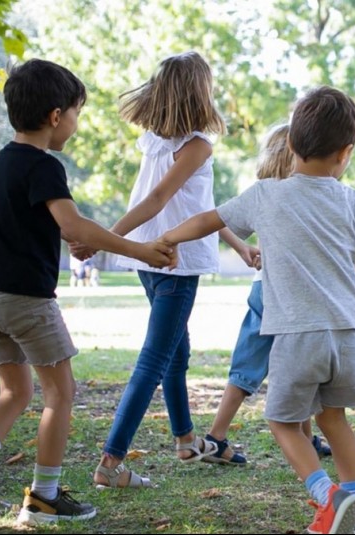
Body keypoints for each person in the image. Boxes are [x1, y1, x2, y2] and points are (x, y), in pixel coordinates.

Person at [159, 86, 355, 534]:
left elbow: (209, 220)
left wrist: (168, 239)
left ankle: (328, 495)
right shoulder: (351, 198)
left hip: (298, 334)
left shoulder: (265, 194)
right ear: (346, 153)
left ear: (291, 145)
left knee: (282, 422)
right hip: (351, 335)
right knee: (333, 419)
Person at [0, 59, 174, 530]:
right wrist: (140, 250)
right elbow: (72, 225)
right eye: (75, 113)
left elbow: (40, 227)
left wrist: (74, 237)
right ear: (56, 116)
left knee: (13, 391)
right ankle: (44, 497)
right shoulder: (44, 166)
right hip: (26, 301)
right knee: (60, 394)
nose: (75, 122)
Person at [78, 51, 258, 490]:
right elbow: (158, 199)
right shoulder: (195, 144)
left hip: (150, 257)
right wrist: (103, 238)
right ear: (201, 91)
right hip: (174, 261)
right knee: (156, 359)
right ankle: (111, 461)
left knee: (177, 351)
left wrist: (238, 242)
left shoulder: (156, 141)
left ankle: (184, 439)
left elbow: (199, 207)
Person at [202, 123, 331, 466]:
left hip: (262, 290)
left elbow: (219, 218)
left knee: (249, 365)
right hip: (288, 295)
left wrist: (245, 247)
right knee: (300, 363)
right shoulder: (302, 192)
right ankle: (300, 437)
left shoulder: (262, 191)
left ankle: (217, 435)